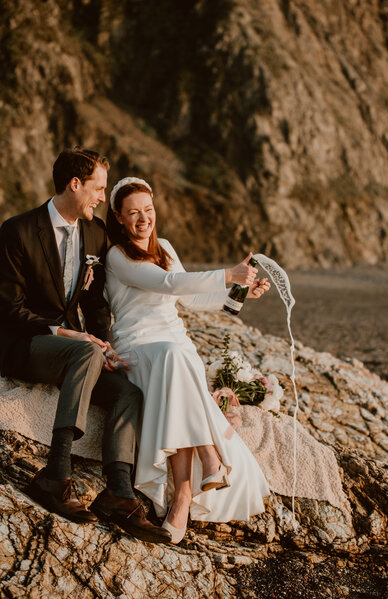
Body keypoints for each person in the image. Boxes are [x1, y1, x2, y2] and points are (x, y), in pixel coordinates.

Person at [0, 149, 171, 544]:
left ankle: (118, 493)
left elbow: (96, 305)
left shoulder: (95, 234)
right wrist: (66, 334)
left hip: (80, 349)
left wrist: (106, 345)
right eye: (98, 188)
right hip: (26, 345)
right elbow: (8, 309)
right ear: (74, 184)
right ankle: (55, 474)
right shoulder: (17, 230)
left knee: (128, 391)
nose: (101, 197)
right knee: (86, 351)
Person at [105, 176, 271, 543]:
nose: (142, 219)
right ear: (118, 217)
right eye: (133, 213)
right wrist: (229, 272)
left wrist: (240, 289)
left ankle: (182, 495)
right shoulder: (118, 256)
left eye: (147, 210)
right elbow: (169, 285)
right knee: (175, 357)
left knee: (179, 356)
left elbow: (192, 300)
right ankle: (209, 457)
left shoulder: (163, 246)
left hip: (173, 347)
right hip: (137, 346)